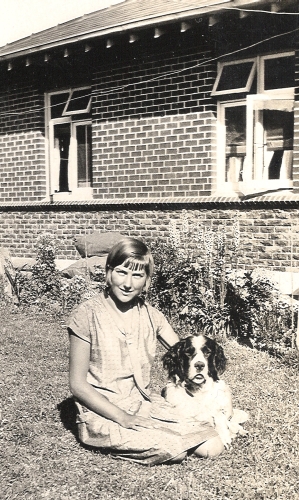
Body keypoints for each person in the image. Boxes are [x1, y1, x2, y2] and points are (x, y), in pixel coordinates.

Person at [68, 237, 224, 465]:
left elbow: (185, 352)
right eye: (121, 272)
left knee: (213, 444)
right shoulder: (87, 315)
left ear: (147, 281)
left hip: (143, 404)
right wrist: (123, 418)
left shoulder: (152, 315)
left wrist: (208, 374)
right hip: (102, 410)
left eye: (137, 275)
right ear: (108, 272)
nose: (127, 283)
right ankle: (118, 438)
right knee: (175, 450)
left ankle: (155, 433)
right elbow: (77, 385)